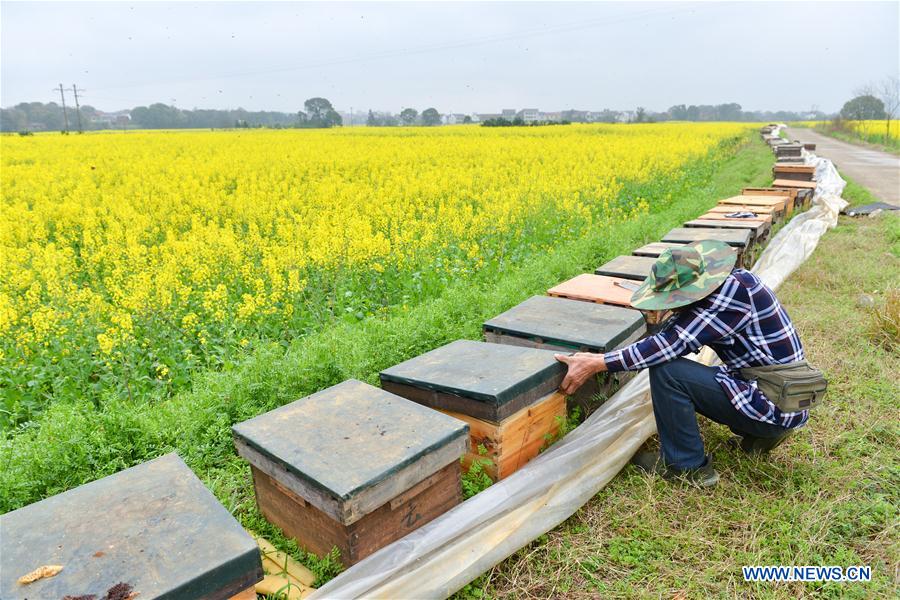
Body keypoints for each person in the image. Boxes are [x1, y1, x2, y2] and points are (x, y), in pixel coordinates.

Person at [555, 240, 807, 487]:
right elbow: (679, 330)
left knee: (668, 372)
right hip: (781, 393)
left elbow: (668, 345)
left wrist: (598, 362)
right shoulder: (738, 282)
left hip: (774, 401)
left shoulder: (727, 300)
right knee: (704, 372)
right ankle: (761, 435)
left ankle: (685, 467)